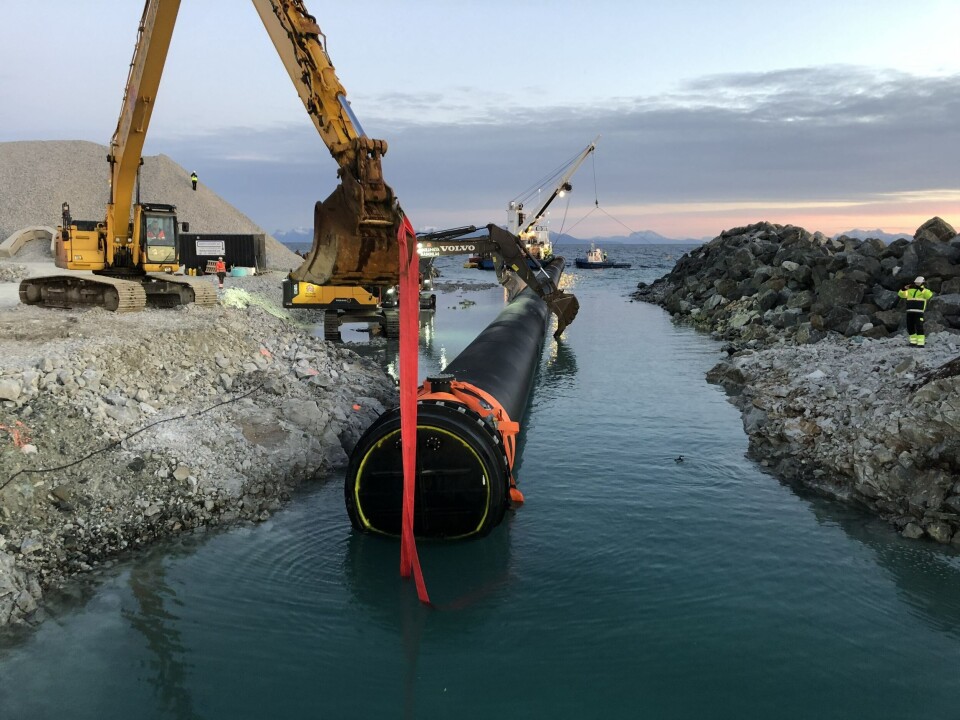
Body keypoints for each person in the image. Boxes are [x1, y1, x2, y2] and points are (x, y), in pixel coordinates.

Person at [898, 276, 934, 347]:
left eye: (918, 283)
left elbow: (929, 295)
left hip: (919, 312)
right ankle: (913, 342)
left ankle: (921, 343)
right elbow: (901, 294)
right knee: (910, 327)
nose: (917, 284)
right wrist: (904, 288)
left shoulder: (925, 291)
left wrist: (921, 289)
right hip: (910, 311)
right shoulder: (910, 290)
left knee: (919, 326)